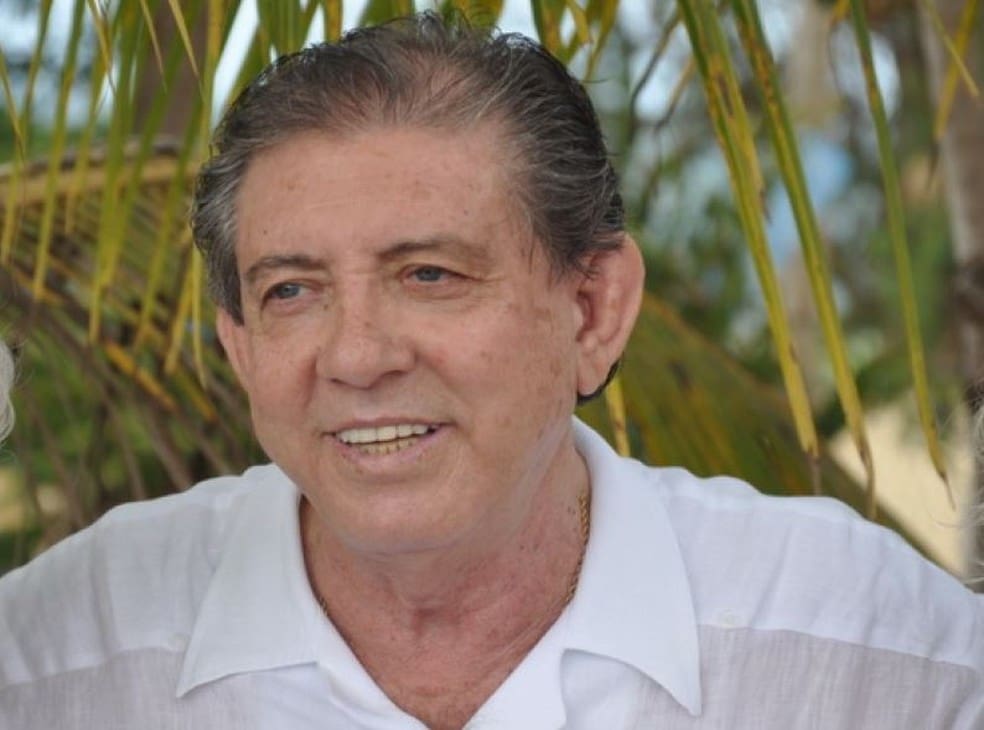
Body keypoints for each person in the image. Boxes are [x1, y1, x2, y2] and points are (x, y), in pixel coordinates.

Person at [2, 12, 983, 729]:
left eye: (429, 274)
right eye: (292, 290)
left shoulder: (870, 650)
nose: (357, 356)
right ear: (239, 343)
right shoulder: (59, 657)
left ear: (593, 309)